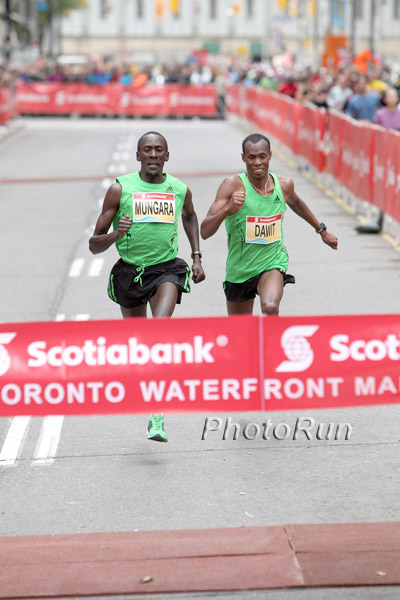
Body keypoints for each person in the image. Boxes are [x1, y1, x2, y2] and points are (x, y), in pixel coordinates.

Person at [89, 131, 205, 442]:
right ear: (138, 156)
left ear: (167, 156)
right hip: (130, 273)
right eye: (147, 150)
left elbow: (190, 217)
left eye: (159, 150)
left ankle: (157, 415)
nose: (153, 155)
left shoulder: (179, 189)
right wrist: (116, 234)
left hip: (167, 269)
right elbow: (94, 245)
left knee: (159, 332)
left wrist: (196, 256)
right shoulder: (120, 189)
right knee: (140, 346)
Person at [200, 133, 338, 316]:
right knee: (240, 328)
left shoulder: (284, 185)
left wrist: (322, 230)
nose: (258, 162)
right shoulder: (231, 186)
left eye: (262, 157)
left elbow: (297, 203)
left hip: (272, 262)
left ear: (270, 156)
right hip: (240, 269)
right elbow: (205, 231)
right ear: (243, 158)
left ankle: (270, 335)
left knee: (270, 307)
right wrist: (228, 209)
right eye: (252, 157)